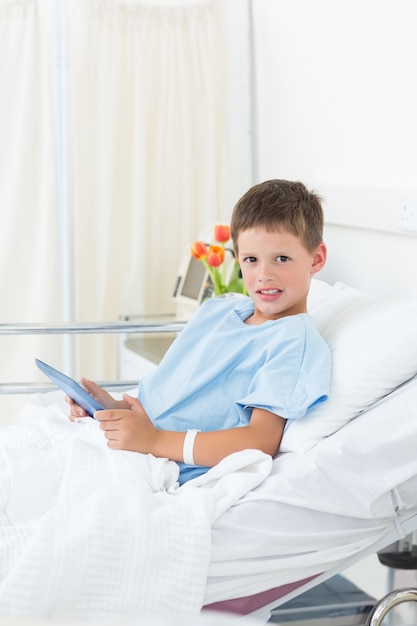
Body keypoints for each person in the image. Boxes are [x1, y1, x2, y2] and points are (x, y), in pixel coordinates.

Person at [67, 179, 331, 484]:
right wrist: (108, 410)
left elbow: (261, 440)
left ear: (316, 258)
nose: (264, 275)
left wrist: (152, 441)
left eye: (282, 259)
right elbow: (169, 401)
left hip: (163, 464)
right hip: (136, 444)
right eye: (251, 260)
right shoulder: (217, 310)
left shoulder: (292, 342)